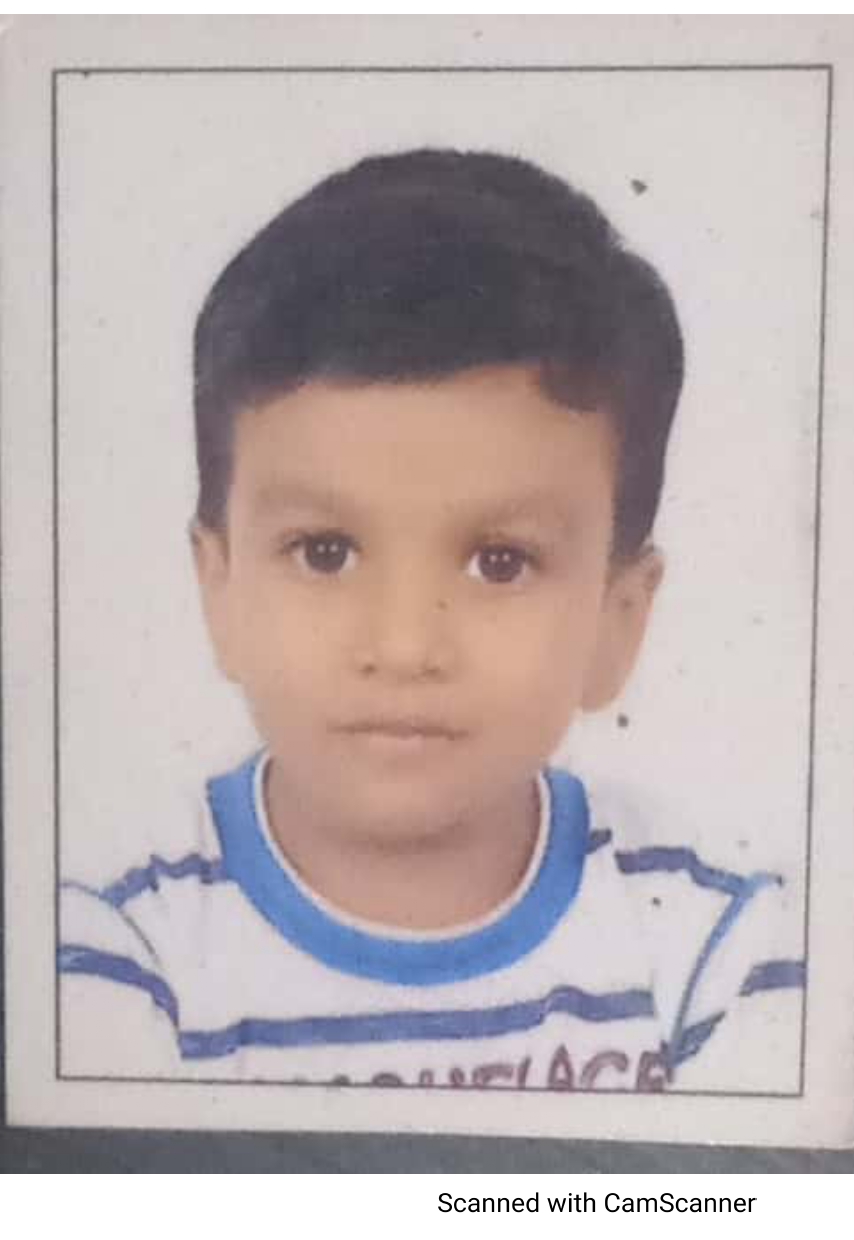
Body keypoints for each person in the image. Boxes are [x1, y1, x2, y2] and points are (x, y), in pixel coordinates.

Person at [59, 149, 804, 1092]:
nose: (405, 647)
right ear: (220, 588)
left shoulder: (722, 953)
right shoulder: (109, 949)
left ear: (617, 619)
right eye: (324, 551)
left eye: (501, 562)